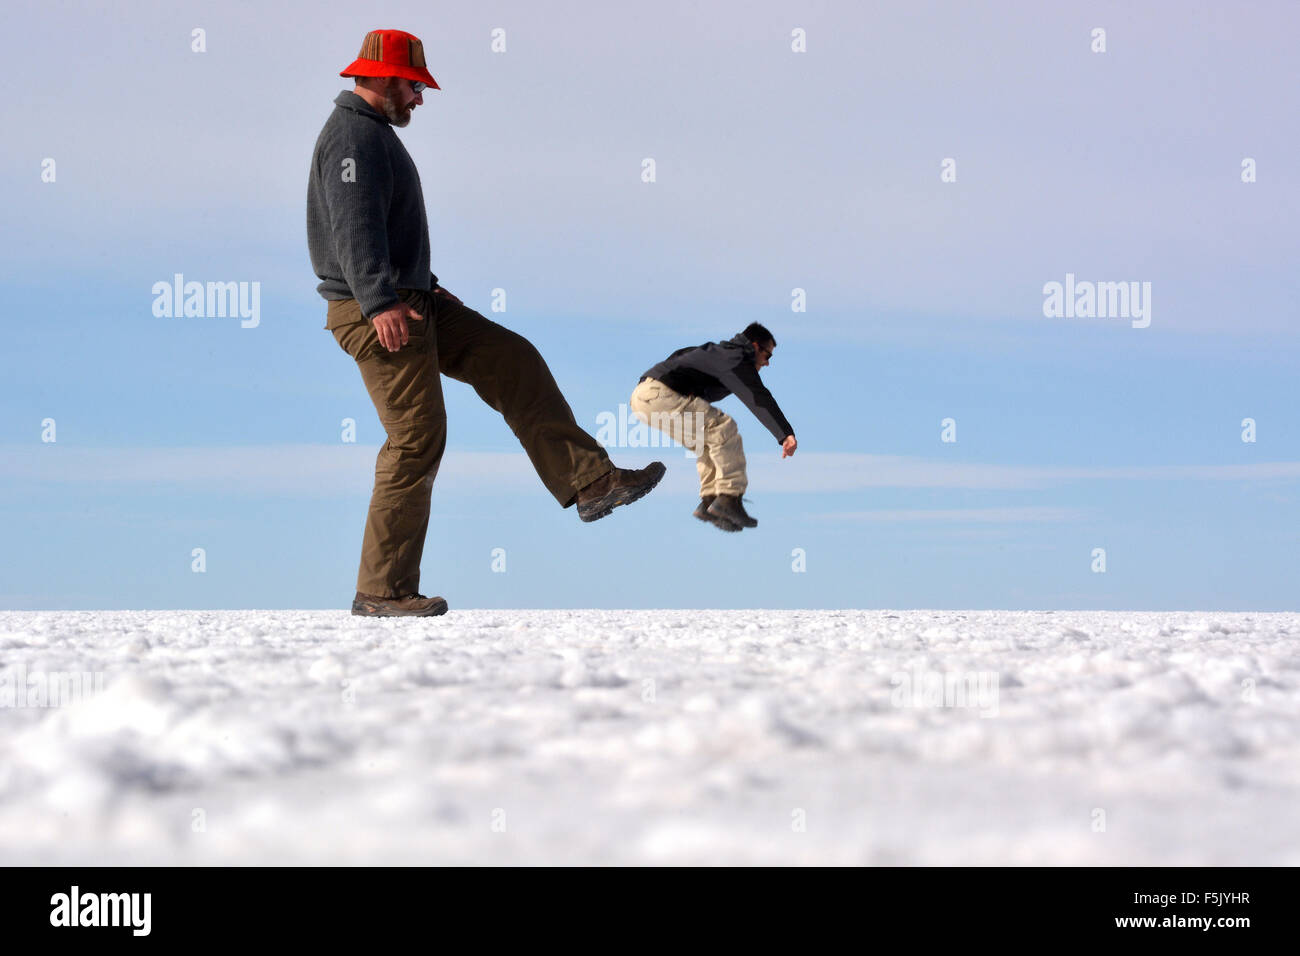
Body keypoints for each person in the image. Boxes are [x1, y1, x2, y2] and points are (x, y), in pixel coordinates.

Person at [308, 29, 665, 617]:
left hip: (410, 296)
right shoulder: (352, 137)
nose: (420, 98)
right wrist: (378, 300)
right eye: (415, 86)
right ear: (381, 78)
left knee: (510, 357)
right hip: (377, 309)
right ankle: (382, 592)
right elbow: (353, 226)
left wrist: (421, 281)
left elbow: (384, 228)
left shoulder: (371, 135)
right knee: (416, 438)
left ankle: (591, 483)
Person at [631, 323, 796, 532]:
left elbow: (680, 354)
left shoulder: (716, 352)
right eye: (768, 356)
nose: (767, 363)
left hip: (643, 398)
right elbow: (758, 396)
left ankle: (710, 502)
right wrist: (785, 434)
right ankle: (729, 497)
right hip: (661, 395)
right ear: (755, 347)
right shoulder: (735, 358)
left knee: (707, 442)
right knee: (724, 428)